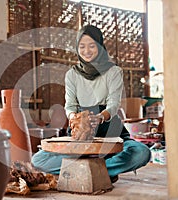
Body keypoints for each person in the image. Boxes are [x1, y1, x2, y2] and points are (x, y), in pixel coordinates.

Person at [31, 25, 151, 183]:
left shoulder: (113, 72)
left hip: (109, 128)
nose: (86, 50)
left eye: (92, 45)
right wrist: (75, 118)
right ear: (77, 48)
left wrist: (100, 118)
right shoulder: (72, 75)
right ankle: (97, 170)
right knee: (39, 160)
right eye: (82, 46)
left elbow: (114, 104)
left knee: (142, 152)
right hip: (81, 131)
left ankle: (97, 170)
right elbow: (70, 105)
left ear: (100, 47)